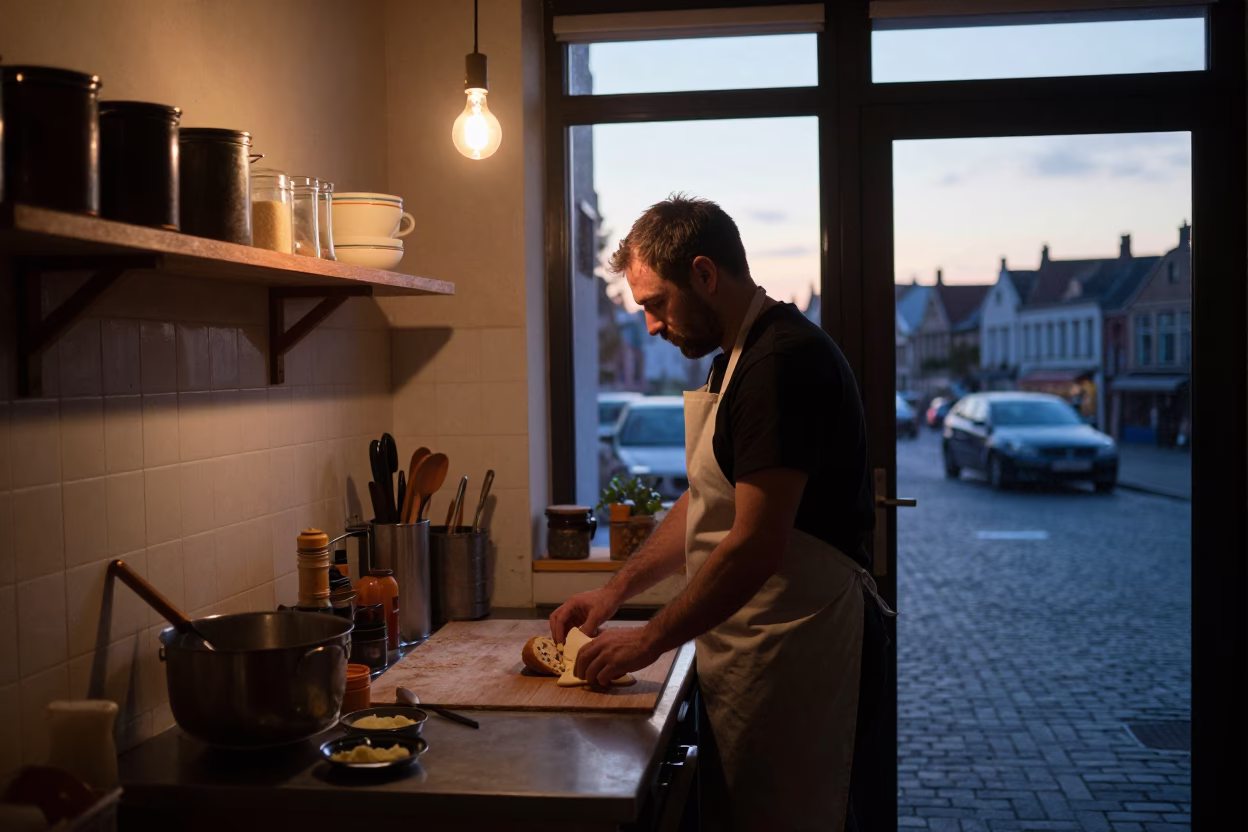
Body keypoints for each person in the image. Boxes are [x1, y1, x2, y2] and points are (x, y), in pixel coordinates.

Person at [549, 195, 896, 831]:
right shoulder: (733, 362)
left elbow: (756, 544)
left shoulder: (781, 363)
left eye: (656, 303)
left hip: (805, 650)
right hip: (756, 648)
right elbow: (707, 499)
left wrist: (649, 640)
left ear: (705, 275)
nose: (650, 325)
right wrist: (614, 593)